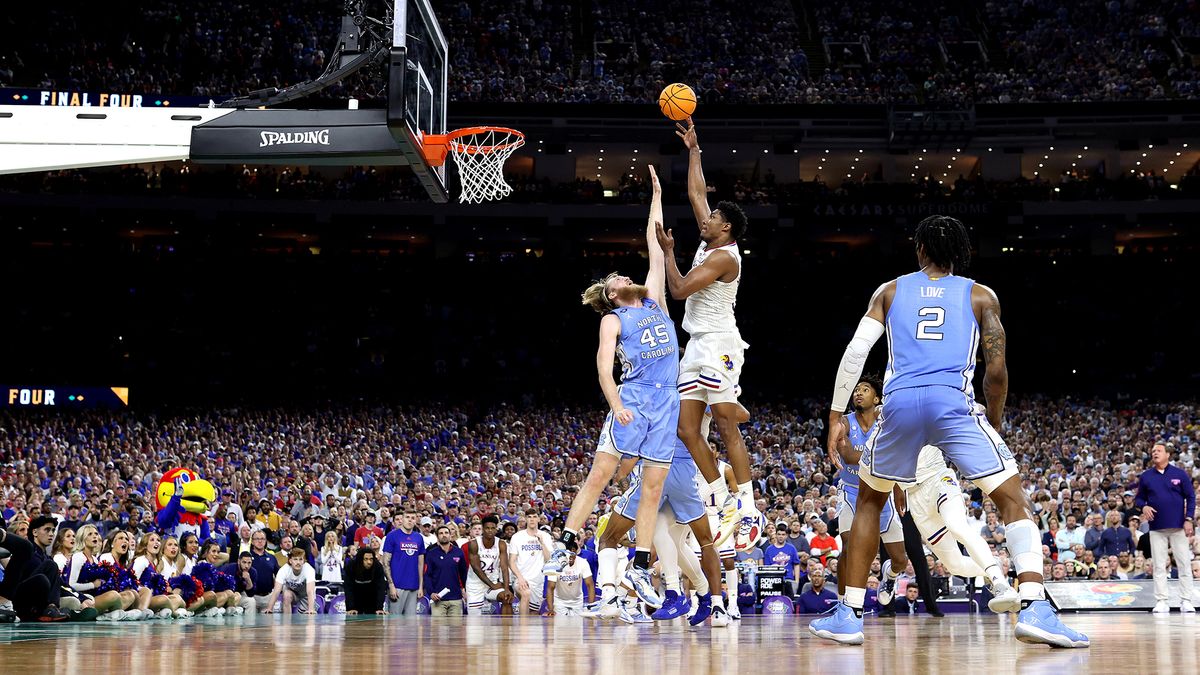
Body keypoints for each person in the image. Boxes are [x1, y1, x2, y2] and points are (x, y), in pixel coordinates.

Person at [811, 215, 1088, 648]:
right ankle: (1034, 604)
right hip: (951, 402)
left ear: (919, 250)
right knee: (1012, 500)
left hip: (899, 404)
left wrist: (834, 414)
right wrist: (992, 422)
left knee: (869, 500)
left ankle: (848, 613)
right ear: (962, 253)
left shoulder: (890, 290)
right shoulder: (980, 295)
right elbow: (995, 368)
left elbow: (855, 351)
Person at [548, 165, 673, 610]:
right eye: (617, 278)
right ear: (612, 294)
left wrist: (657, 195)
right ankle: (566, 543)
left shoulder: (654, 299)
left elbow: (656, 246)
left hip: (668, 402)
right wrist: (617, 404)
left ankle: (639, 565)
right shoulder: (613, 318)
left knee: (653, 489)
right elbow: (604, 369)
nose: (624, 274)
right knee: (600, 475)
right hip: (635, 400)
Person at [656, 117, 759, 549]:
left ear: (727, 229)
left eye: (714, 217)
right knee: (685, 429)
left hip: (720, 344)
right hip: (697, 345)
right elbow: (697, 192)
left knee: (723, 424)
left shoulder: (724, 258)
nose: (707, 216)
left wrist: (667, 253)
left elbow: (678, 289)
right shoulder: (710, 238)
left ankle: (749, 506)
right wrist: (694, 149)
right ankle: (719, 496)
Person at [596, 434, 727, 626]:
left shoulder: (698, 414)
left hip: (690, 476)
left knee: (691, 540)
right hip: (670, 473)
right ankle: (702, 595)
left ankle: (710, 601)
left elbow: (733, 417)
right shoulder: (673, 415)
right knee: (671, 540)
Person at [898, 445, 1020, 612]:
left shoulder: (921, 419)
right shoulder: (878, 429)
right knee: (955, 565)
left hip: (938, 479)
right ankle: (994, 565)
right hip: (914, 499)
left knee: (957, 526)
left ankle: (1000, 583)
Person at [828, 376, 910, 603]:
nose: (858, 393)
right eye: (856, 390)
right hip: (852, 491)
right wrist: (881, 455)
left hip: (880, 494)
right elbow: (848, 456)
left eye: (865, 389)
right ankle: (843, 602)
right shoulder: (844, 422)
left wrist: (898, 486)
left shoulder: (885, 421)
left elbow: (895, 454)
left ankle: (890, 575)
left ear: (876, 398)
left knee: (900, 560)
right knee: (849, 545)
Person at [1135, 442, 1196, 613]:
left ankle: (1186, 600)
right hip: (1156, 526)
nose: (1155, 453)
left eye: (1159, 451)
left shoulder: (1180, 474)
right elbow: (1139, 499)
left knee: (1184, 563)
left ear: (1167, 454)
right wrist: (1144, 507)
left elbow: (1191, 497)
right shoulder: (1146, 476)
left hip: (1179, 526)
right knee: (1159, 565)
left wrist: (1189, 518)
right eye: (1153, 451)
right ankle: (1161, 600)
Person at [466, 515, 514, 615]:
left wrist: (506, 589)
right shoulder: (474, 544)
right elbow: (476, 569)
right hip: (475, 584)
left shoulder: (501, 544)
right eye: (487, 528)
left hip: (492, 583)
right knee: (474, 623)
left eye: (493, 528)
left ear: (496, 529)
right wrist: (492, 585)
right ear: (483, 529)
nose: (490, 531)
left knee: (507, 598)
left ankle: (507, 629)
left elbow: (504, 568)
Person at [381, 509, 425, 615]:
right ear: (402, 519)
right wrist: (391, 585)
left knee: (411, 624)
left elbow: (420, 564)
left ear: (416, 521)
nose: (410, 520)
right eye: (407, 517)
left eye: (413, 518)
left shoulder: (418, 537)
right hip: (397, 586)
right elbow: (385, 562)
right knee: (395, 623)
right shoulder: (392, 536)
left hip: (413, 586)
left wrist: (420, 586)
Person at [423, 525, 467, 617]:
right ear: (437, 536)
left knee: (456, 629)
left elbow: (464, 574)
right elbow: (427, 575)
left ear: (450, 535)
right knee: (437, 629)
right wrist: (431, 593)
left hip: (456, 598)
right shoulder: (431, 553)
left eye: (446, 533)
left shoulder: (459, 552)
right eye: (441, 533)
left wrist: (465, 590)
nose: (444, 535)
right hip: (438, 598)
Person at [263, 547, 317, 614]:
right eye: (295, 559)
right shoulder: (284, 570)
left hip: (305, 595)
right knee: (286, 595)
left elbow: (310, 591)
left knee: (309, 616)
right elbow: (276, 591)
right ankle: (287, 621)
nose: (298, 562)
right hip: (292, 594)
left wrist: (311, 609)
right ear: (290, 561)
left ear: (304, 561)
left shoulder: (309, 569)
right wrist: (269, 608)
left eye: (300, 559)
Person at [545, 549, 595, 618]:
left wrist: (590, 608)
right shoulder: (555, 563)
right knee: (560, 627)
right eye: (569, 555)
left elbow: (590, 585)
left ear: (576, 554)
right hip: (560, 602)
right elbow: (550, 587)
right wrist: (550, 610)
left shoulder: (583, 562)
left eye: (573, 555)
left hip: (577, 602)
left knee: (577, 627)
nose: (570, 558)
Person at [344, 548, 388, 615]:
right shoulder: (351, 565)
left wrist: (379, 608)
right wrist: (351, 608)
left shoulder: (378, 566)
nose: (369, 562)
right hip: (356, 596)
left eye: (371, 559)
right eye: (366, 559)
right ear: (360, 559)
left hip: (372, 597)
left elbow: (381, 588)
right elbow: (348, 588)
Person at [763, 525, 803, 595]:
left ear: (786, 536)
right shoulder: (769, 550)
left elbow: (796, 564)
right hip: (774, 580)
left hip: (789, 580)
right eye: (779, 534)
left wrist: (796, 581)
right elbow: (767, 568)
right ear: (776, 535)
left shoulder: (791, 548)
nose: (781, 536)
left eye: (783, 534)